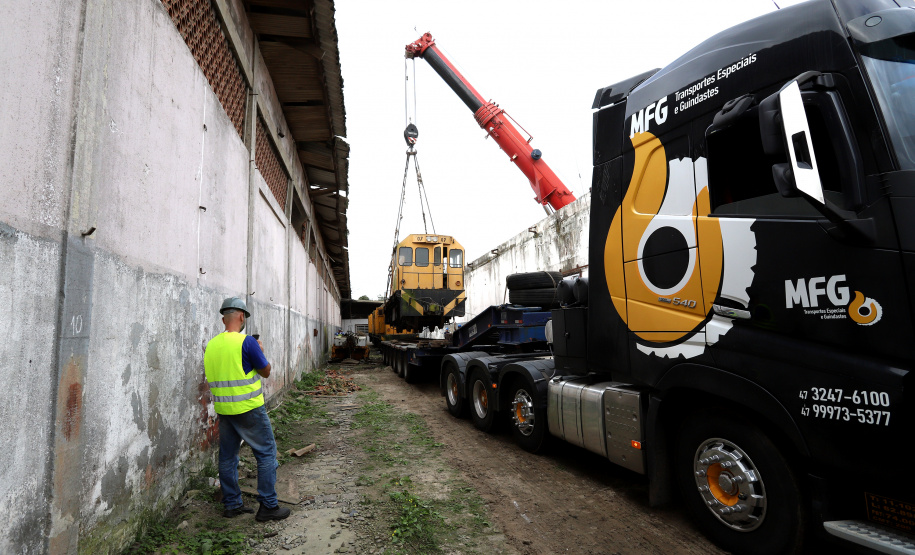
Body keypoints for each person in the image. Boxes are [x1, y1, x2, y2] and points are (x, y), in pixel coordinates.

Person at [204, 297, 291, 521]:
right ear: (242, 317)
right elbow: (266, 371)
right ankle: (269, 506)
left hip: (225, 410)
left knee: (227, 457)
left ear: (224, 319)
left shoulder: (211, 345)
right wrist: (260, 351)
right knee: (266, 454)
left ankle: (232, 505)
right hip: (249, 409)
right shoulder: (247, 343)